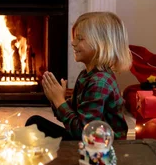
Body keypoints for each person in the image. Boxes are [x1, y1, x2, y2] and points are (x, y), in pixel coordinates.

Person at [26, 12, 131, 140]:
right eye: (74, 38)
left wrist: (59, 101)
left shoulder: (99, 82)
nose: (73, 43)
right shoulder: (86, 75)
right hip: (89, 142)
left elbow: (83, 133)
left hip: (103, 151)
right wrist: (56, 98)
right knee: (35, 124)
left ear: (101, 44)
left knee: (35, 127)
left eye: (80, 39)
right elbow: (73, 114)